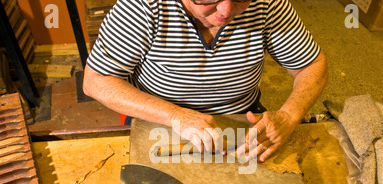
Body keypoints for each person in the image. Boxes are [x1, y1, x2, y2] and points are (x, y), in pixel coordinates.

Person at [83, 0, 328, 162]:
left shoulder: (267, 5)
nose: (226, 11)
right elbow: (96, 80)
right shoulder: (143, 7)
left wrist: (289, 115)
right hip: (159, 118)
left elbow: (311, 65)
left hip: (241, 119)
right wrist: (175, 115)